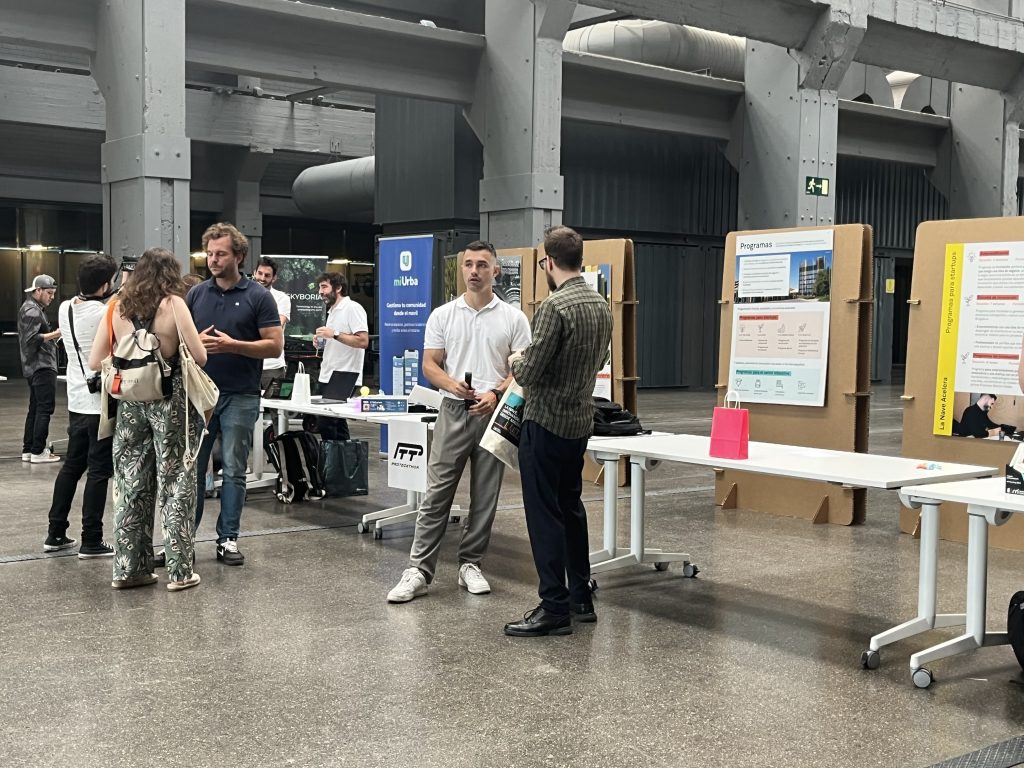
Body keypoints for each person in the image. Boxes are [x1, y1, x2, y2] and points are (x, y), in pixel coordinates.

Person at [387, 241, 531, 603]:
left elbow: (522, 369)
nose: (474, 271)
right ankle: (418, 570)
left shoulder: (513, 318)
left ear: (495, 270)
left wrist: (495, 393)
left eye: (482, 264)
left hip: (493, 413)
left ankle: (471, 564)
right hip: (453, 410)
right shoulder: (443, 315)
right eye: (468, 264)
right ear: (461, 269)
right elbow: (430, 364)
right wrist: (453, 385)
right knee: (437, 493)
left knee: (485, 495)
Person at [504, 225, 612, 637]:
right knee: (571, 507)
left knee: (544, 514)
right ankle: (580, 598)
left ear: (547, 262)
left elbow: (529, 371)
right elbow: (599, 360)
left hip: (545, 422)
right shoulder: (600, 304)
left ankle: (553, 607)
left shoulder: (554, 307)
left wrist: (517, 358)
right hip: (579, 423)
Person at [88, 247, 208, 591]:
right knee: (177, 481)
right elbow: (199, 356)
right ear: (171, 273)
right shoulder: (174, 304)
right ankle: (180, 571)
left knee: (130, 484)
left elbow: (96, 361)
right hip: (169, 401)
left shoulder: (117, 305)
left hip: (128, 402)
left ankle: (130, 570)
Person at [187, 222, 284, 566]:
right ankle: (183, 540)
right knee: (192, 471)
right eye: (209, 254)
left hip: (240, 394)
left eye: (221, 254)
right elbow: (182, 342)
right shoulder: (197, 294)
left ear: (239, 256)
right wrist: (194, 342)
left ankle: (227, 539)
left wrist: (234, 345)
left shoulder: (258, 296)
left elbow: (274, 346)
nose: (213, 260)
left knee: (233, 470)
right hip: (200, 396)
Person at [43, 254, 119, 557]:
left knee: (72, 466)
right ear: (105, 284)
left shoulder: (65, 308)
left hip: (76, 399)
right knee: (99, 471)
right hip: (99, 403)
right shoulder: (105, 312)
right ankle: (92, 539)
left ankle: (55, 533)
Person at [313, 271, 368, 440]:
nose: (320, 292)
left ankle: (336, 456)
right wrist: (322, 342)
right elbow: (337, 340)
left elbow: (363, 341)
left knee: (327, 423)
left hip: (344, 375)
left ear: (338, 288)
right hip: (328, 373)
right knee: (335, 424)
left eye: (324, 287)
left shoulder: (352, 308)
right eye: (319, 288)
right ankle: (343, 456)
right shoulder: (332, 311)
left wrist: (334, 334)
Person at [19, 274, 62, 464]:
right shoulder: (32, 310)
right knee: (44, 409)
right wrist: (57, 333)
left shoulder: (32, 308)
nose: (52, 297)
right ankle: (37, 451)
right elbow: (31, 340)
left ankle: (29, 450)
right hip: (42, 366)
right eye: (49, 293)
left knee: (36, 408)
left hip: (35, 366)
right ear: (38, 290)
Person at [253, 257, 292, 392]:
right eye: (260, 273)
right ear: (254, 273)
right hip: (248, 364)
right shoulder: (243, 296)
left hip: (272, 366)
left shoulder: (282, 299)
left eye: (267, 275)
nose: (262, 278)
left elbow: (275, 328)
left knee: (275, 405)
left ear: (274, 278)